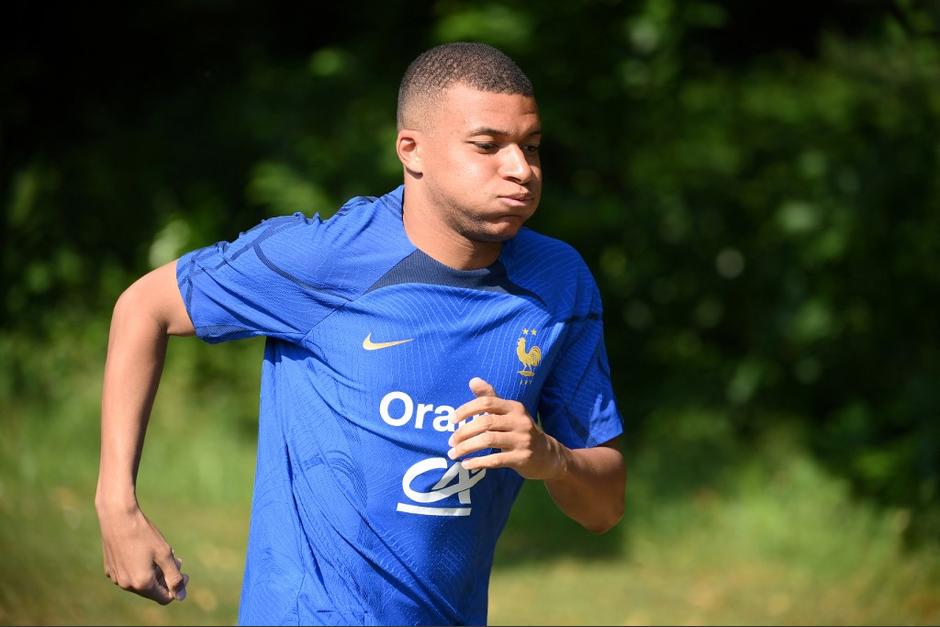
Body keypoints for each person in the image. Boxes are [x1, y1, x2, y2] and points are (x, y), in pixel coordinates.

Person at [95, 41, 626, 626]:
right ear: (411, 150)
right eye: (487, 145)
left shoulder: (559, 285)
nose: (521, 170)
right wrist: (117, 505)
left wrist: (550, 458)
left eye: (531, 147)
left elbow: (604, 507)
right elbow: (144, 306)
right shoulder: (321, 258)